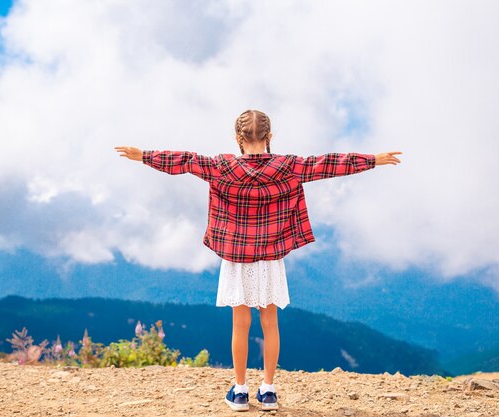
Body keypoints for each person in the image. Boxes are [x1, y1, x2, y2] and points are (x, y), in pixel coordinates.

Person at [115, 109, 402, 412]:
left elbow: (185, 160)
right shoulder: (287, 166)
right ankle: (268, 391)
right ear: (270, 137)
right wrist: (373, 160)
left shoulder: (221, 167)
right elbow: (328, 164)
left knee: (240, 324)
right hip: (269, 256)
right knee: (270, 324)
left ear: (237, 138)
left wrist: (143, 155)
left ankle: (239, 392)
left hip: (237, 257)